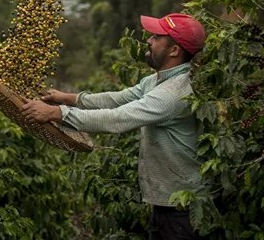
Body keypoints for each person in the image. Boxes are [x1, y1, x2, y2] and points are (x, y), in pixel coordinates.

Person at [21, 13, 206, 240]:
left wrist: (56, 113)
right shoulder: (157, 81)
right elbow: (117, 99)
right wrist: (68, 98)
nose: (148, 40)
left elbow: (117, 118)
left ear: (174, 51)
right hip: (167, 200)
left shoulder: (172, 94)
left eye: (156, 37)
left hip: (181, 208)